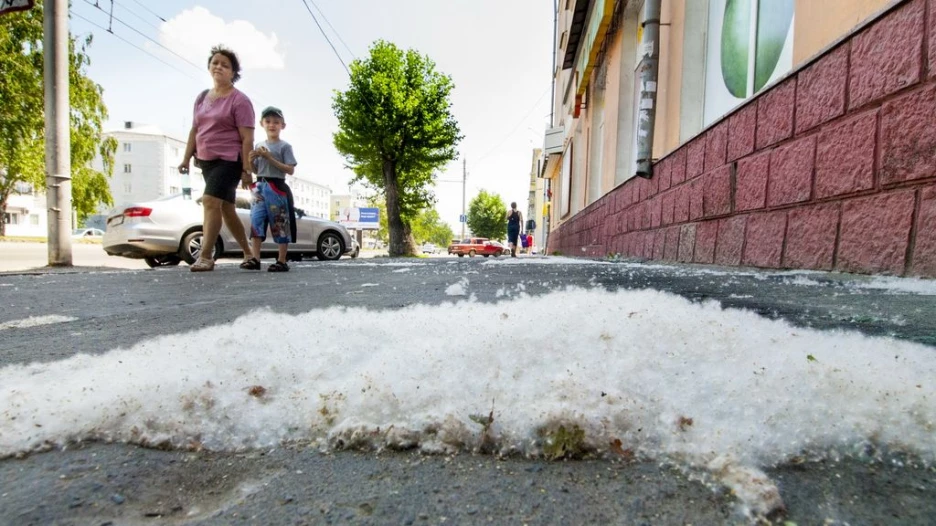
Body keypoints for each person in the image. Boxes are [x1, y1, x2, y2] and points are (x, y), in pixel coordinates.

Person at [178, 45, 255, 272]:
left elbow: (247, 138)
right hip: (206, 160)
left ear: (233, 73)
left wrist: (246, 169)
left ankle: (206, 256)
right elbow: (195, 129)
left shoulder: (240, 101)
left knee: (211, 201)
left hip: (229, 160)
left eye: (225, 65)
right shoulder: (202, 97)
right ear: (209, 67)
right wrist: (185, 158)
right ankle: (249, 253)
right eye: (215, 63)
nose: (219, 67)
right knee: (226, 209)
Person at [242, 106, 298, 272]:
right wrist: (251, 160)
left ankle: (281, 260)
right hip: (260, 185)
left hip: (277, 185)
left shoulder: (284, 147)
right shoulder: (259, 145)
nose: (272, 125)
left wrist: (269, 157)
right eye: (268, 121)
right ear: (262, 124)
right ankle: (255, 258)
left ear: (282, 125)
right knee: (256, 221)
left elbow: (289, 169)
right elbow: (256, 170)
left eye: (276, 122)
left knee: (280, 222)